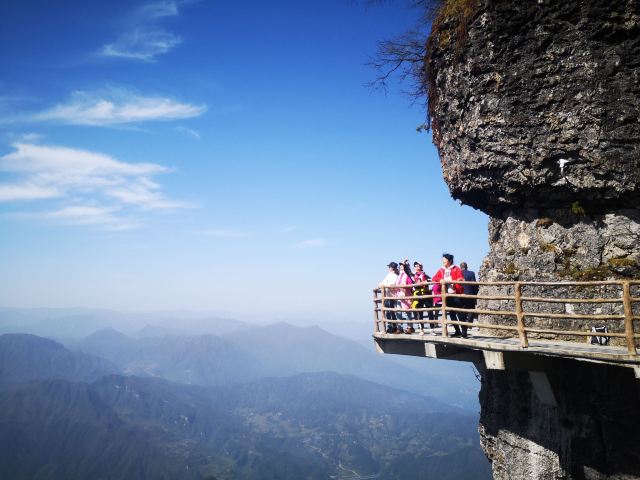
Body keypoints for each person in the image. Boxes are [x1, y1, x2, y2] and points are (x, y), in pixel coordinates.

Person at [432, 253, 466, 337]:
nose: (443, 261)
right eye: (443, 259)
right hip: (447, 295)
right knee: (451, 314)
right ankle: (457, 331)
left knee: (460, 313)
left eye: (444, 259)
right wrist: (440, 279)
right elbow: (434, 278)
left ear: (449, 260)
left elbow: (461, 278)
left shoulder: (456, 269)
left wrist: (460, 279)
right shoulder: (441, 270)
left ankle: (464, 332)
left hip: (455, 294)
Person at [411, 261, 434, 335]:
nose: (419, 267)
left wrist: (425, 281)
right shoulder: (413, 275)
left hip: (426, 294)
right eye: (417, 266)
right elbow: (407, 271)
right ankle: (421, 329)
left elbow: (432, 280)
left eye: (420, 266)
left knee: (430, 312)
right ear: (414, 267)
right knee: (419, 313)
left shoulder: (425, 275)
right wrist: (405, 264)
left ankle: (432, 329)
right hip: (418, 295)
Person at [379, 262, 400, 333]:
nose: (388, 268)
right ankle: (390, 326)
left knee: (391, 312)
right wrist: (382, 284)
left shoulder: (395, 276)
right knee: (388, 312)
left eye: (389, 267)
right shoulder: (389, 275)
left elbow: (392, 285)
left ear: (392, 268)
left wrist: (384, 285)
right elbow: (383, 282)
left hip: (391, 296)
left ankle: (394, 326)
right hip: (387, 296)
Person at [459, 262, 479, 333]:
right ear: (467, 266)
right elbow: (474, 284)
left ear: (460, 267)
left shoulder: (459, 274)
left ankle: (464, 327)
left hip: (461, 294)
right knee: (471, 308)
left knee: (463, 310)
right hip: (470, 294)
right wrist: (476, 293)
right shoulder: (471, 273)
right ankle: (469, 323)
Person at [396, 261, 415, 333]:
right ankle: (400, 328)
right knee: (399, 312)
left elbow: (411, 284)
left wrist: (405, 287)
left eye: (402, 265)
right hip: (399, 296)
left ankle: (410, 327)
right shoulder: (400, 275)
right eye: (400, 265)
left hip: (406, 295)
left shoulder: (407, 275)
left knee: (407, 312)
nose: (401, 266)